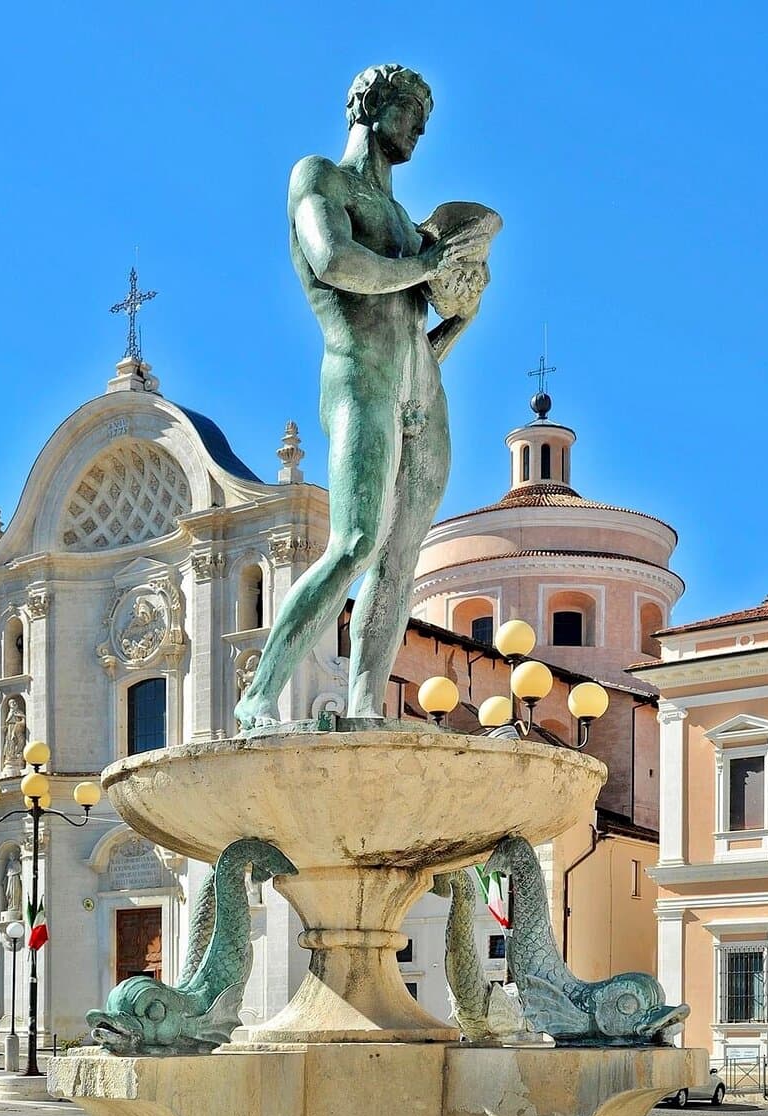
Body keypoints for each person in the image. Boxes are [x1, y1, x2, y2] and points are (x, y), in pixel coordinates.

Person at [235, 64, 495, 730]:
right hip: (358, 379)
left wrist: (461, 314)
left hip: (422, 392)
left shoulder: (410, 224)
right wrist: (432, 265)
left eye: (426, 121)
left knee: (401, 559)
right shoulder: (319, 177)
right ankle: (260, 694)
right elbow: (334, 262)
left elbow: (413, 339)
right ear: (371, 105)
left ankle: (362, 708)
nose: (418, 129)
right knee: (353, 541)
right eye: (410, 112)